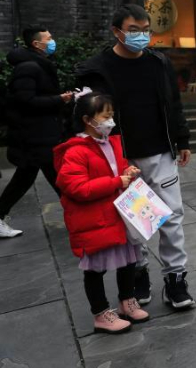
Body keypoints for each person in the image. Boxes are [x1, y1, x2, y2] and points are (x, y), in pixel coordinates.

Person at [75, 4, 194, 310]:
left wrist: (182, 139)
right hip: (121, 157)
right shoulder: (97, 68)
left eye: (145, 30)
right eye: (133, 30)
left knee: (171, 216)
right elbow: (87, 115)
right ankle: (137, 273)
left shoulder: (159, 62)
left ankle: (176, 279)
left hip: (160, 150)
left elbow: (174, 103)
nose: (141, 36)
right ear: (116, 31)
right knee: (133, 221)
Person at [54, 90, 149, 334]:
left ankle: (127, 301)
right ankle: (101, 313)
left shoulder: (113, 141)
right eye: (105, 116)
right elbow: (77, 188)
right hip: (95, 220)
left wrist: (129, 171)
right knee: (95, 268)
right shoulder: (75, 151)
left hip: (118, 216)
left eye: (111, 115)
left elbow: (120, 166)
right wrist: (117, 181)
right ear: (88, 119)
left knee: (128, 260)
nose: (110, 121)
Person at [0, 27, 73, 238]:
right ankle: (81, 215)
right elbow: (25, 101)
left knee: (26, 178)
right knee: (58, 178)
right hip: (36, 135)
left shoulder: (36, 65)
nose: (53, 41)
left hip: (38, 134)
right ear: (36, 44)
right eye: (49, 38)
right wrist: (59, 99)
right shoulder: (29, 67)